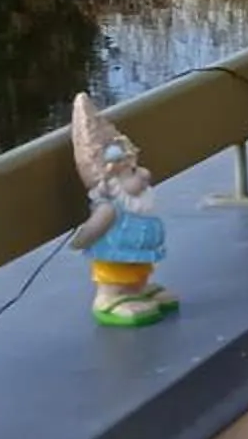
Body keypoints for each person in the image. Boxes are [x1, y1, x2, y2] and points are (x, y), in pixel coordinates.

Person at [69, 93, 176, 327]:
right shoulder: (111, 204)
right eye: (131, 171)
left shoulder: (135, 195)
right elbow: (95, 227)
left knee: (137, 268)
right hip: (115, 252)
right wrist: (81, 240)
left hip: (139, 248)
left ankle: (137, 287)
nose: (142, 175)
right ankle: (109, 297)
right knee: (117, 272)